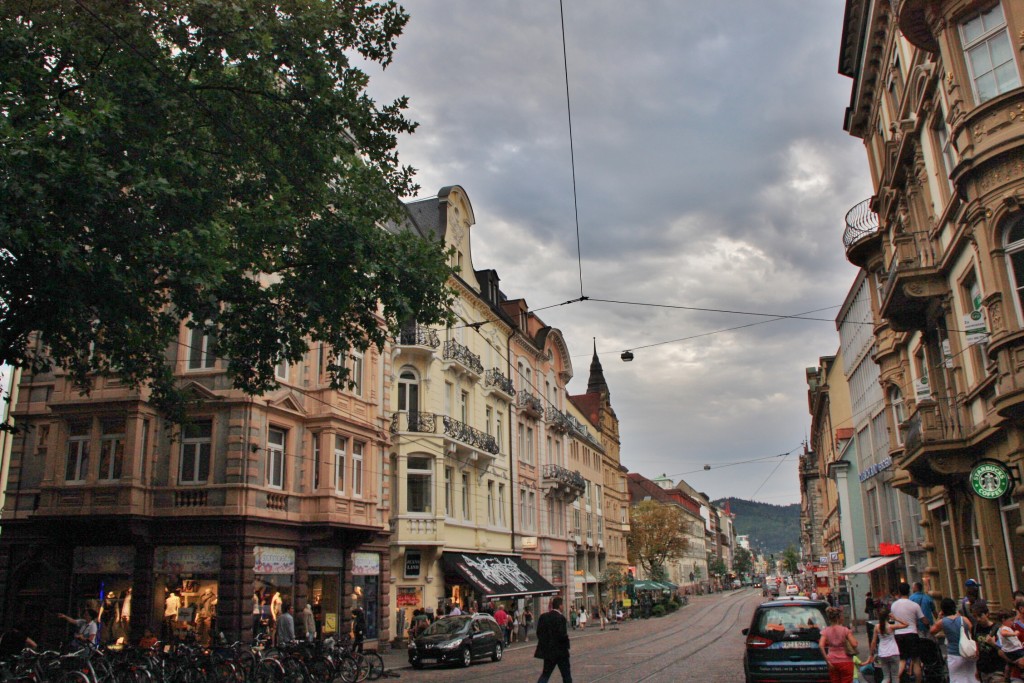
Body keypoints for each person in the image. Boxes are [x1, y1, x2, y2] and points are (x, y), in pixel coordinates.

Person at [930, 597, 976, 683]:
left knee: (957, 679)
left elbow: (932, 631)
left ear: (943, 610)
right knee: (971, 677)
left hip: (954, 654)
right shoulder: (964, 619)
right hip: (968, 652)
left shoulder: (943, 622)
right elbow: (973, 631)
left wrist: (939, 618)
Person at [890, 582, 927, 683]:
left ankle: (896, 679)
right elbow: (924, 620)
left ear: (899, 592)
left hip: (898, 635)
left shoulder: (894, 605)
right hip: (912, 634)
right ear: (909, 591)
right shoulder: (914, 605)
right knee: (916, 661)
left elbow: (893, 618)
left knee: (902, 660)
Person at [866, 604, 907, 683]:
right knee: (895, 677)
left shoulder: (877, 627)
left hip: (883, 653)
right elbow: (906, 624)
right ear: (888, 616)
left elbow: (873, 642)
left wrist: (871, 654)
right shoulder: (891, 627)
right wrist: (895, 618)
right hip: (893, 652)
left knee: (886, 677)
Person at [535, 596, 572, 683]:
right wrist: (567, 644)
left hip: (548, 651)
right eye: (562, 605)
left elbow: (539, 633)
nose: (563, 607)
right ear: (559, 606)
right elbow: (562, 635)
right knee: (566, 675)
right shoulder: (561, 618)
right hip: (561, 652)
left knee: (545, 674)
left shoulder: (543, 617)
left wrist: (545, 644)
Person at [819, 606, 857, 683]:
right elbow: (854, 644)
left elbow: (820, 645)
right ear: (839, 618)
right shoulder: (845, 630)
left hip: (832, 661)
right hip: (846, 661)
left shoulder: (826, 631)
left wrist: (827, 661)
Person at [972, 605, 1004, 683]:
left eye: (980, 616)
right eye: (975, 617)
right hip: (983, 668)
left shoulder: (998, 628)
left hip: (997, 668)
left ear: (987, 614)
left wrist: (993, 644)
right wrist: (976, 669)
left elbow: (1005, 649)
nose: (978, 619)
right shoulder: (975, 628)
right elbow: (977, 649)